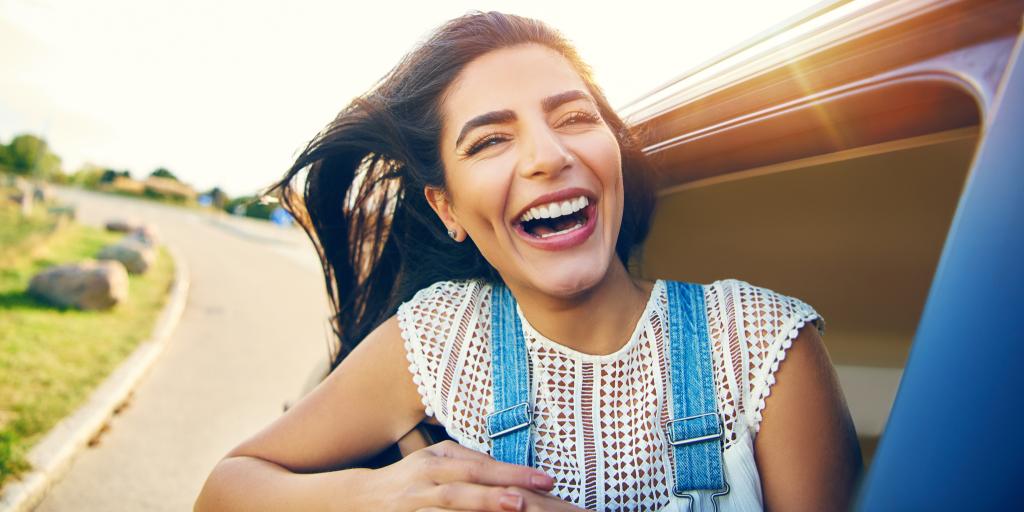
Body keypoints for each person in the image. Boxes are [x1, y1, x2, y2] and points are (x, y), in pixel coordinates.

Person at [195, 11, 861, 512]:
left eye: (573, 117)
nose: (547, 156)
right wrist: (378, 496)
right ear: (448, 208)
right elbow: (225, 488)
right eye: (489, 140)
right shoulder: (439, 340)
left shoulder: (762, 344)